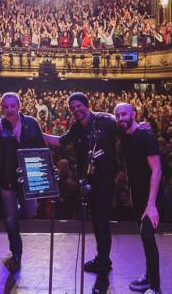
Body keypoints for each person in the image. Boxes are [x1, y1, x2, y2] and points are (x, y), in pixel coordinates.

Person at [43, 92, 119, 293]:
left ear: (87, 105)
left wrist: (140, 127)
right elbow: (60, 141)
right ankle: (104, 259)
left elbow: (125, 133)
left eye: (79, 106)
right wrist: (37, 133)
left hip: (105, 182)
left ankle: (102, 275)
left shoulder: (106, 120)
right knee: (96, 222)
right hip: (88, 182)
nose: (76, 110)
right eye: (72, 108)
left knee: (102, 224)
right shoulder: (76, 128)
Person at [0, 92, 46, 273]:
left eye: (13, 106)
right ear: (2, 108)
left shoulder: (32, 123)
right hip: (6, 180)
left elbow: (42, 150)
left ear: (19, 106)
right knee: (11, 218)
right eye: (6, 106)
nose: (9, 110)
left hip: (28, 178)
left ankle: (9, 218)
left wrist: (41, 180)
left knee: (29, 212)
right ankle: (16, 252)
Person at [114, 103, 162, 294]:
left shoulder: (145, 134)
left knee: (148, 237)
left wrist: (151, 204)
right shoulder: (124, 134)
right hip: (138, 193)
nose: (120, 118)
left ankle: (155, 287)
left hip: (152, 194)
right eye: (117, 115)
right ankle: (149, 276)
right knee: (144, 237)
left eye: (124, 114)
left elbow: (157, 170)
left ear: (133, 114)